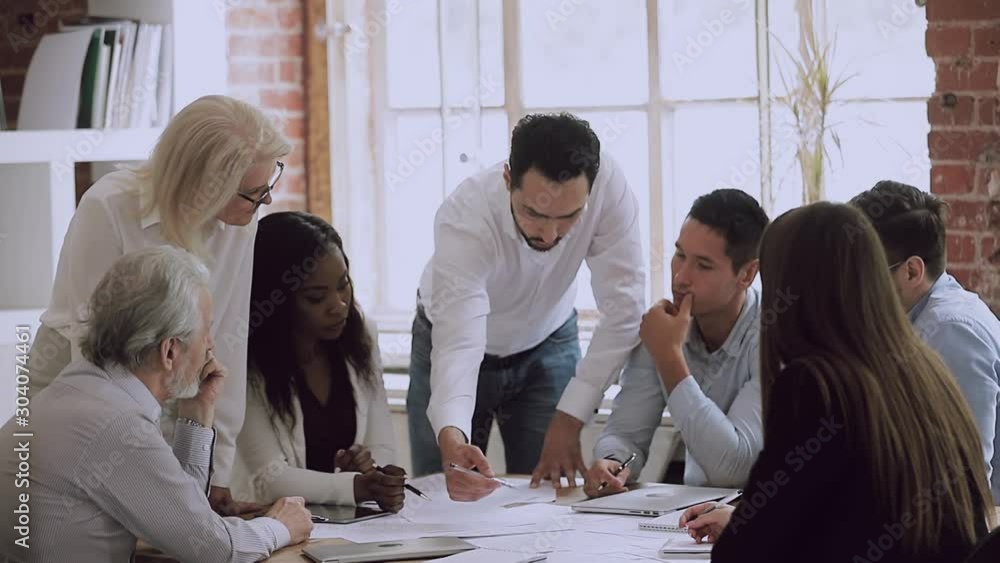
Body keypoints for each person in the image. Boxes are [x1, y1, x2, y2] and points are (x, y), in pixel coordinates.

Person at [678, 203, 994, 563]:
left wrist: (750, 527)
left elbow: (743, 554)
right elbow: (857, 513)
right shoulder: (924, 369)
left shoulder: (814, 385)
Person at [24, 95, 290, 515]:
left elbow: (229, 343)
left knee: (179, 525)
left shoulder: (240, 224)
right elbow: (94, 350)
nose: (266, 203)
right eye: (254, 194)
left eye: (268, 185)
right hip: (73, 380)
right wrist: (151, 466)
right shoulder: (109, 205)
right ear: (206, 185)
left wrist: (216, 474)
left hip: (165, 382)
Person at [0, 247, 312, 563]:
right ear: (170, 352)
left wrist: (197, 413)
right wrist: (280, 525)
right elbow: (213, 548)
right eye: (206, 330)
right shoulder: (116, 425)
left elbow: (181, 522)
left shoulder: (81, 388)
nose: (211, 345)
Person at [407, 112, 646, 500]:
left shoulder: (609, 190)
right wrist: (452, 435)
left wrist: (570, 418)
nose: (549, 234)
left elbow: (626, 310)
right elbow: (460, 341)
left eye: (569, 217)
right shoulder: (466, 216)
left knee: (550, 498)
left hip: (548, 340)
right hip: (456, 343)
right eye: (533, 213)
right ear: (507, 180)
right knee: (441, 498)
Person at [584, 189, 767, 496]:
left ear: (747, 274)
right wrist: (612, 461)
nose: (681, 277)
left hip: (762, 519)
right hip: (690, 518)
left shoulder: (775, 336)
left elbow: (732, 468)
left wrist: (669, 356)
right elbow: (626, 433)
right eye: (680, 254)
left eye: (703, 265)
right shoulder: (664, 326)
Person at [234, 212, 405, 512]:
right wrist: (354, 486)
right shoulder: (244, 358)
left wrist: (372, 470)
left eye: (344, 284)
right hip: (266, 528)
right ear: (278, 300)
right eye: (316, 297)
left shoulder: (361, 335)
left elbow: (383, 445)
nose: (339, 306)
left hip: (346, 528)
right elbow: (268, 477)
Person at [851, 180, 1000, 503]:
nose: (848, 286)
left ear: (911, 272)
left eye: (860, 272)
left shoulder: (949, 331)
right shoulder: (918, 318)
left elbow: (965, 485)